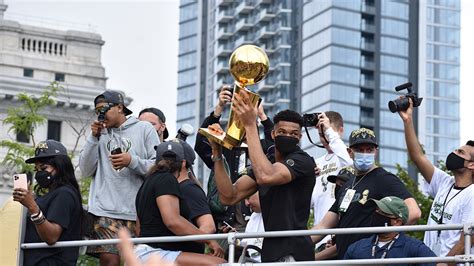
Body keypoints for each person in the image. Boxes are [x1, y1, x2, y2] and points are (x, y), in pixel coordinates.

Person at [208, 90, 316, 262]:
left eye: (294, 134)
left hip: (294, 251)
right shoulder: (267, 162)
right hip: (270, 250)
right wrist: (217, 154)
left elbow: (267, 176)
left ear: (300, 138)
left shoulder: (303, 161)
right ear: (273, 134)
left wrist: (251, 125)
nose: (288, 136)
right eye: (282, 132)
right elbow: (229, 196)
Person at [310, 128, 421, 259]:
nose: (365, 153)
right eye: (359, 150)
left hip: (371, 257)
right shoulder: (347, 184)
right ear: (349, 152)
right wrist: (292, 244)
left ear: (376, 152)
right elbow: (323, 226)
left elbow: (414, 212)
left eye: (369, 149)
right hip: (345, 259)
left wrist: (382, 236)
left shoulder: (384, 179)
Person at [79, 90, 159, 265]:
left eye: (104, 109)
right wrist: (93, 138)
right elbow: (84, 170)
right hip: (104, 211)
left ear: (120, 107)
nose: (100, 115)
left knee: (138, 261)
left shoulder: (144, 128)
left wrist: (131, 161)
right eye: (97, 111)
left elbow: (159, 167)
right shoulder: (99, 134)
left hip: (137, 212)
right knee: (110, 261)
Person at [398, 98, 474, 256]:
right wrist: (408, 121)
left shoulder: (472, 194)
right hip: (428, 260)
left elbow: (467, 239)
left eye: (460, 153)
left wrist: (444, 262)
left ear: (471, 165)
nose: (454, 153)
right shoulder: (444, 182)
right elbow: (418, 157)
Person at [134, 141, 225, 265]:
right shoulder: (167, 179)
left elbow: (138, 229)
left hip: (142, 252)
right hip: (154, 253)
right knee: (220, 263)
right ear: (183, 163)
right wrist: (208, 240)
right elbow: (173, 221)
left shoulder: (147, 182)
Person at [13, 140, 83, 265]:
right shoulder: (50, 195)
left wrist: (32, 206)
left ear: (60, 166)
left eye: (44, 168)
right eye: (37, 169)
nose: (39, 173)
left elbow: (51, 237)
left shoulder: (64, 194)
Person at [344, 196, 436, 265]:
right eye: (376, 211)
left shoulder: (415, 248)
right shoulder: (356, 247)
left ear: (398, 222)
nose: (376, 215)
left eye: (382, 213)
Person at [310, 111, 352, 249]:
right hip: (319, 237)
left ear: (340, 131)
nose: (324, 139)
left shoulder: (348, 154)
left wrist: (329, 131)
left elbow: (349, 164)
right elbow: (310, 201)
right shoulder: (316, 162)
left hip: (340, 236)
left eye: (327, 133)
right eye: (321, 135)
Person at [175, 138, 216, 254]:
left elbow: (208, 226)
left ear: (182, 163)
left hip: (184, 257)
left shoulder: (189, 189)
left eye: (168, 157)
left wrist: (181, 244)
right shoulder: (170, 187)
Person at [241, 191, 265, 262]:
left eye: (248, 198)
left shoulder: (282, 214)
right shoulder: (254, 216)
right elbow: (245, 244)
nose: (246, 203)